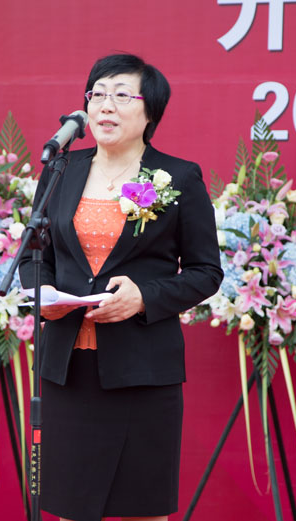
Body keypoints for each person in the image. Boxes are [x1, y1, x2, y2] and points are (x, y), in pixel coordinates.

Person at [19, 53, 223, 521]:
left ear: (150, 111)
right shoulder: (60, 170)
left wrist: (144, 298)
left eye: (122, 95)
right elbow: (34, 257)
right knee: (69, 507)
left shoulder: (177, 177)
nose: (106, 105)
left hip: (141, 372)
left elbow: (205, 272)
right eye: (97, 94)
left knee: (140, 510)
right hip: (67, 370)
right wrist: (43, 297)